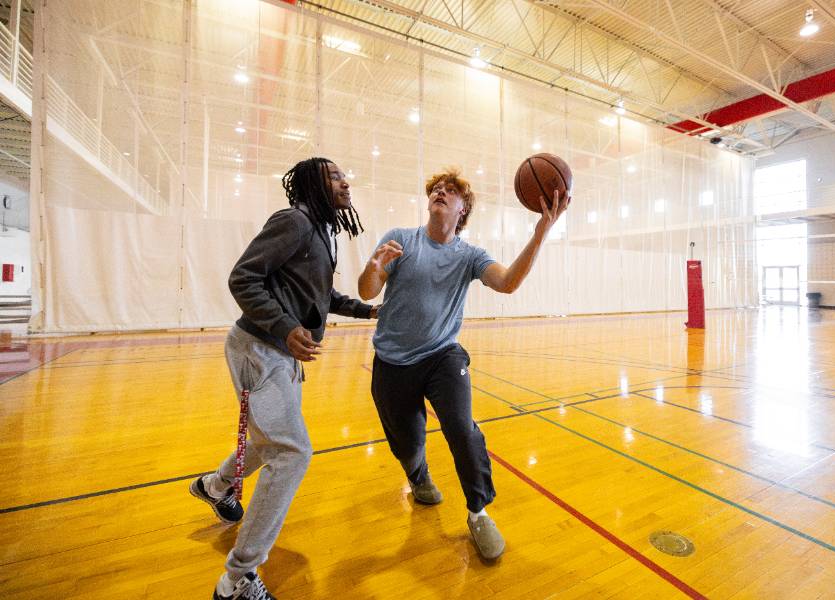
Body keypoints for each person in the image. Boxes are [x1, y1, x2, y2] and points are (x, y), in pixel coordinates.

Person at [358, 167, 569, 560]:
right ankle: (417, 475)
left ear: (463, 209)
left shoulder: (470, 255)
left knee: (462, 429)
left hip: (442, 355)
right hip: (392, 361)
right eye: (435, 188)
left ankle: (478, 511)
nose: (440, 192)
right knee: (407, 445)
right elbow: (368, 292)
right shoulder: (400, 240)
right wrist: (373, 268)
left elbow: (507, 282)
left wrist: (541, 231)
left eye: (450, 191)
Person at [191, 157, 377, 600]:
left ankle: (215, 486)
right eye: (334, 176)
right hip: (259, 350)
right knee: (292, 452)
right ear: (313, 183)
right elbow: (243, 278)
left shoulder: (321, 231)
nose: (344, 181)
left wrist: (366, 309)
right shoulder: (293, 221)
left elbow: (319, 294)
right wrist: (285, 328)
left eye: (344, 174)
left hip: (280, 354)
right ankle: (237, 579)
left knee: (271, 439)